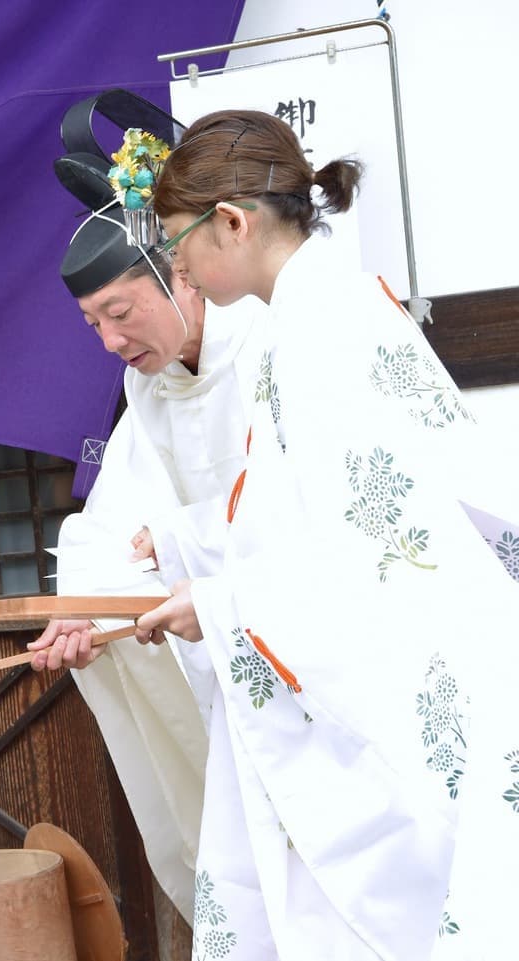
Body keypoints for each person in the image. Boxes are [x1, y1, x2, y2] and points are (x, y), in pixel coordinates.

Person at [116, 108, 519, 959]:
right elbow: (307, 510)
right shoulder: (316, 312)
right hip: (380, 645)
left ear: (231, 221)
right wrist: (192, 548)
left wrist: (223, 604)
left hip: (396, 674)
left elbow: (373, 547)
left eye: (175, 239)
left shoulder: (319, 327)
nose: (174, 262)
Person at [26, 178, 267, 920]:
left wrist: (180, 546)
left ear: (182, 277)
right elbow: (119, 519)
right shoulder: (149, 389)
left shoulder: (267, 348)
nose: (110, 342)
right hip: (212, 643)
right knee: (241, 857)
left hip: (292, 633)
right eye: (93, 323)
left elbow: (296, 510)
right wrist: (83, 612)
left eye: (120, 313)